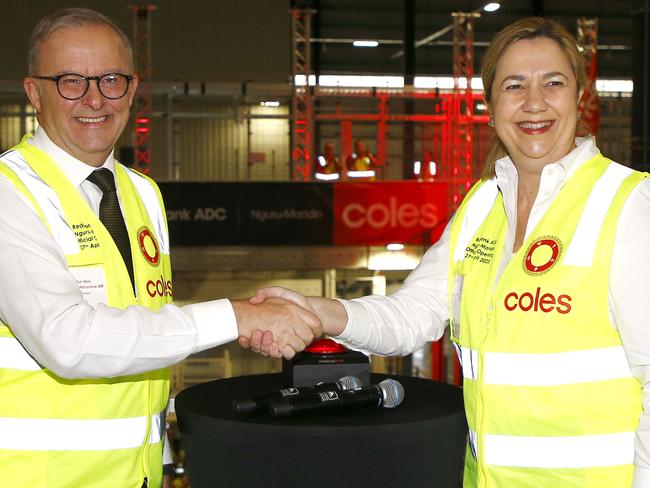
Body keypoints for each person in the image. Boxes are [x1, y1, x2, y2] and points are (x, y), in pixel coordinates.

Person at [244, 17, 650, 487]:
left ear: (579, 96)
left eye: (553, 83)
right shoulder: (482, 205)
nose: (534, 102)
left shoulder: (627, 204)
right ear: (490, 104)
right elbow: (413, 315)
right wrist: (319, 312)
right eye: (514, 85)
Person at [0, 8, 320, 488]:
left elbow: (146, 328)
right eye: (70, 81)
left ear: (132, 89)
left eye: (111, 79)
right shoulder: (10, 194)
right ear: (34, 92)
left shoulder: (142, 193)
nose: (94, 98)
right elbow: (67, 342)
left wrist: (164, 459)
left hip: (140, 475)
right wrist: (236, 316)